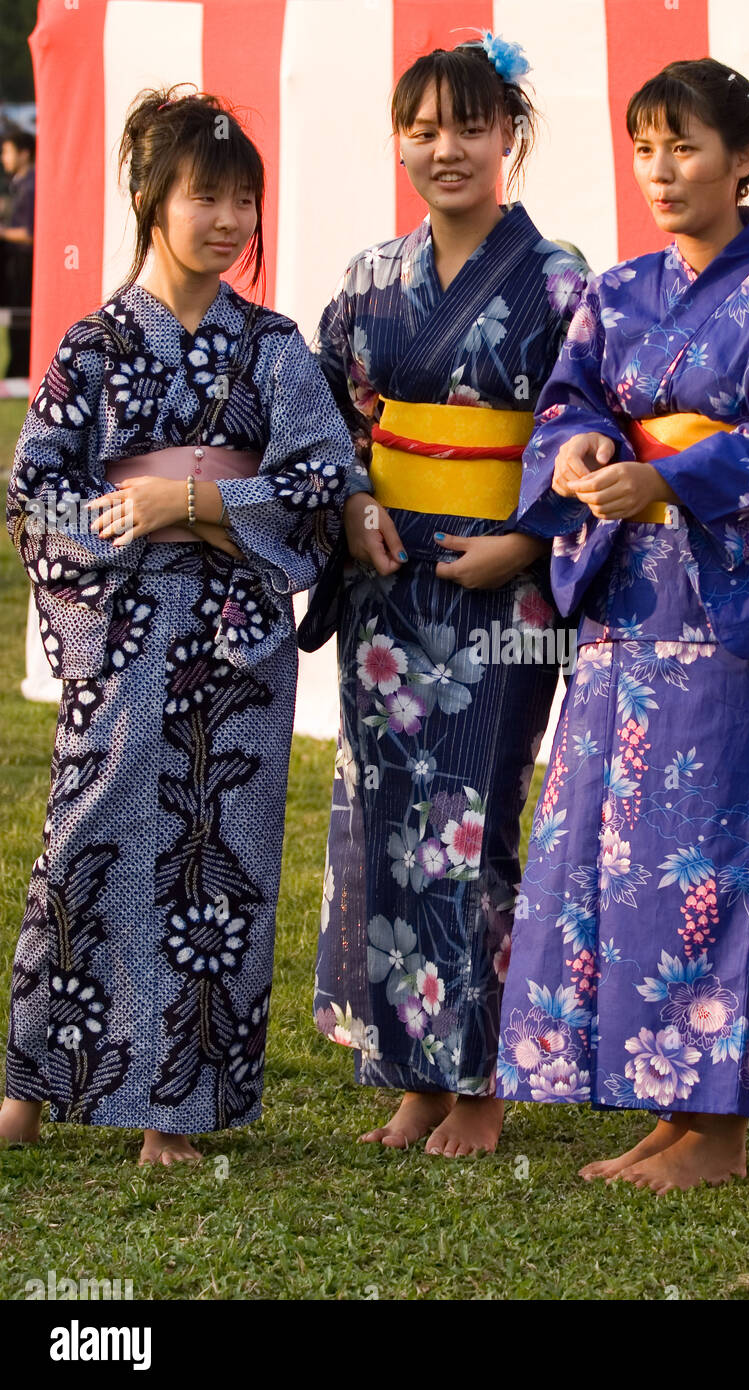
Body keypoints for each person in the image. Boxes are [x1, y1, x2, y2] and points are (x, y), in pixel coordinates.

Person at [495, 58, 749, 1193]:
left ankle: (719, 1131)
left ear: (744, 159)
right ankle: (667, 1102)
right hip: (621, 613)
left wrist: (664, 482)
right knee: (619, 852)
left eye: (685, 146)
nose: (660, 170)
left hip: (726, 614)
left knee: (715, 857)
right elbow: (566, 400)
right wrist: (580, 450)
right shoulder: (615, 292)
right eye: (644, 147)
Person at [0, 88, 365, 1164]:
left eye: (243, 200)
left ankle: (178, 1107)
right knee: (84, 842)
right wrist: (127, 542)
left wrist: (198, 504)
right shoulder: (95, 342)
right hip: (117, 631)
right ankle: (30, 1079)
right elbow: (34, 490)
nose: (227, 220)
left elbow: (320, 477)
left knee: (219, 859)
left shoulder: (272, 345)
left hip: (234, 638)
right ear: (151, 201)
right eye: (206, 196)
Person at [305, 35, 588, 1157]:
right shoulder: (371, 280)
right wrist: (348, 504)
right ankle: (413, 1073)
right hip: (389, 584)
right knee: (385, 822)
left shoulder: (561, 279)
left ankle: (480, 1083)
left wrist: (528, 540)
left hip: (501, 595)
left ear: (509, 135)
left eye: (468, 125)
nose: (445, 148)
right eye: (421, 128)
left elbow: (586, 424)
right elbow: (320, 417)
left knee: (473, 825)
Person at [0, 128, 35, 378]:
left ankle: (20, 373)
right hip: (16, 264)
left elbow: (32, 232)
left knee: (21, 322)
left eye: (7, 151)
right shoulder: (19, 185)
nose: (4, 157)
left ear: (24, 154)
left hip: (25, 264)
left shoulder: (32, 186)